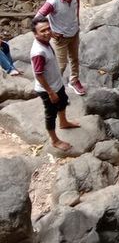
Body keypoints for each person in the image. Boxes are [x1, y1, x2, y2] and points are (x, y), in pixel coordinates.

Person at [30, 16, 80, 151]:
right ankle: (54, 140)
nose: (47, 33)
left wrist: (54, 34)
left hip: (56, 82)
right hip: (48, 88)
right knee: (50, 113)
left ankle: (63, 122)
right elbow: (38, 74)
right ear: (35, 34)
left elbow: (49, 34)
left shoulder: (45, 41)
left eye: (48, 29)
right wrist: (50, 92)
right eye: (42, 31)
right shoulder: (38, 52)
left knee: (63, 101)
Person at [35, 0, 86, 95]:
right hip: (60, 38)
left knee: (74, 59)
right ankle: (53, 89)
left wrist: (77, 23)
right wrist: (50, 33)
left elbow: (76, 8)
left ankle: (74, 81)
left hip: (73, 33)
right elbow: (38, 18)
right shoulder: (53, 1)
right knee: (60, 66)